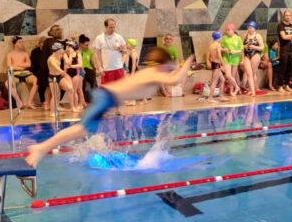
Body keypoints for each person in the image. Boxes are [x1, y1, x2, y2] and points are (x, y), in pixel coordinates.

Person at [25, 48, 194, 165]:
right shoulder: (155, 73)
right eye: (170, 66)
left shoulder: (153, 72)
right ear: (163, 65)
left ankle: (42, 148)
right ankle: (40, 148)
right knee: (80, 130)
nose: (172, 69)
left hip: (107, 98)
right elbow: (175, 79)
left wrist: (178, 67)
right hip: (106, 98)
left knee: (82, 129)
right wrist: (189, 62)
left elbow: (171, 75)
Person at [5, 36, 39, 109]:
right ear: (15, 44)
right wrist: (21, 66)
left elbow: (29, 64)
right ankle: (20, 103)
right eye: (20, 42)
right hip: (15, 73)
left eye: (22, 42)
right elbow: (10, 66)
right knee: (7, 84)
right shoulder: (10, 54)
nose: (22, 44)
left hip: (26, 73)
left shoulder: (25, 54)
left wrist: (16, 64)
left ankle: (29, 102)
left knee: (37, 81)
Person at [94, 19, 127, 85]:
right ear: (106, 27)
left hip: (119, 68)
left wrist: (120, 50)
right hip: (107, 69)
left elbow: (125, 51)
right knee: (107, 90)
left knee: (121, 89)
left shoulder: (119, 37)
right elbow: (96, 53)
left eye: (114, 27)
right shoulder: (99, 38)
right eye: (111, 27)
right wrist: (99, 67)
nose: (113, 29)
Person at [207, 31, 236, 103]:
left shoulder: (211, 45)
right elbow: (219, 55)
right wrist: (223, 64)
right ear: (218, 37)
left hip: (214, 63)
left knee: (222, 79)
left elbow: (210, 56)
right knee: (214, 81)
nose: (221, 38)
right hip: (217, 64)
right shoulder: (218, 45)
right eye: (221, 37)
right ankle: (210, 98)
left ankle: (221, 96)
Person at [45, 42, 72, 114]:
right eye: (62, 49)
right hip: (52, 78)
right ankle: (52, 112)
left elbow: (68, 62)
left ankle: (57, 107)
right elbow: (58, 69)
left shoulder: (59, 56)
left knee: (69, 88)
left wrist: (70, 53)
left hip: (59, 76)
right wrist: (65, 73)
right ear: (58, 50)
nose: (63, 50)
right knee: (55, 95)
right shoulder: (51, 59)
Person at [275, 10, 292, 91]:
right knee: (283, 68)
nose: (288, 17)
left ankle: (287, 85)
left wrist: (290, 36)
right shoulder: (280, 25)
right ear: (284, 16)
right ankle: (280, 86)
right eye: (286, 15)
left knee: (289, 69)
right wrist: (291, 35)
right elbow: (283, 37)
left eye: (289, 15)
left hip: (291, 50)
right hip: (284, 49)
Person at [241, 22, 264, 96]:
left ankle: (253, 90)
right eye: (248, 28)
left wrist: (254, 47)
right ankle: (252, 91)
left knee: (253, 73)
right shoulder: (245, 35)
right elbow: (241, 46)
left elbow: (262, 47)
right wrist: (245, 46)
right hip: (247, 55)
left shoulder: (258, 36)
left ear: (254, 28)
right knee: (248, 73)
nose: (249, 29)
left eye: (251, 28)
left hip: (255, 55)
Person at [220, 24, 244, 96]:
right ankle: (237, 87)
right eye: (226, 30)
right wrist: (225, 50)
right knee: (228, 75)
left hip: (235, 59)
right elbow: (220, 48)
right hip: (226, 58)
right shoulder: (224, 38)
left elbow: (241, 50)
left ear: (233, 30)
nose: (227, 32)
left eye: (228, 30)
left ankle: (231, 91)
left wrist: (234, 52)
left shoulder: (238, 38)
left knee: (232, 76)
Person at [63, 41, 85, 112]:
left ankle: (75, 106)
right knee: (71, 90)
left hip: (76, 73)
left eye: (68, 46)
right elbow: (67, 63)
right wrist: (70, 56)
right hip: (67, 74)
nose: (67, 48)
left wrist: (71, 66)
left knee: (75, 90)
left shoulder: (78, 54)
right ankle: (72, 107)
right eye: (66, 46)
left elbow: (80, 65)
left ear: (73, 47)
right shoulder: (65, 54)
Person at [78, 35, 96, 102]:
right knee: (82, 84)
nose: (87, 46)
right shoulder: (77, 51)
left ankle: (95, 98)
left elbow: (92, 61)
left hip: (88, 69)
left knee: (93, 81)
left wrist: (95, 68)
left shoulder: (88, 50)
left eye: (88, 45)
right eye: (86, 45)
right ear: (80, 44)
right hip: (80, 69)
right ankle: (83, 100)